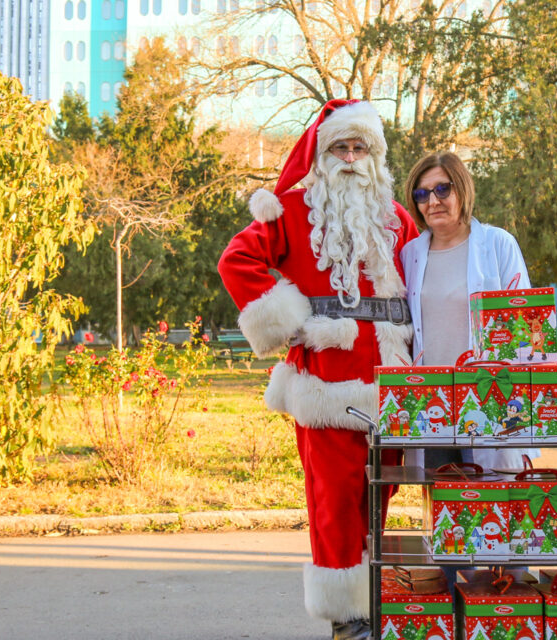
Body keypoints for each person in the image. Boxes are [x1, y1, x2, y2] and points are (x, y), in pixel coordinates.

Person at [218, 99, 417, 640]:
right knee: (332, 503)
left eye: (361, 148)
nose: (351, 159)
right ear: (323, 154)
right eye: (341, 148)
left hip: (391, 388)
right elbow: (237, 259)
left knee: (376, 498)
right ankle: (347, 619)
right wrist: (290, 318)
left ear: (374, 156)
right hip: (326, 384)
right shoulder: (293, 211)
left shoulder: (396, 217)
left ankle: (373, 600)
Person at [399, 151, 538, 472]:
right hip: (433, 405)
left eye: (442, 189)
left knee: (497, 502)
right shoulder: (410, 255)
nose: (433, 201)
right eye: (422, 194)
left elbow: (529, 325)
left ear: (462, 189)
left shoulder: (498, 244)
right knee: (445, 510)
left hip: (492, 398)